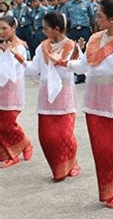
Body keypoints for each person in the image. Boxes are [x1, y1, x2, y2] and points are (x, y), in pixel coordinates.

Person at [64, 0, 113, 208]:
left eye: (99, 16)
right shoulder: (95, 38)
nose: (96, 19)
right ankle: (110, 189)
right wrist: (67, 63)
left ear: (112, 19)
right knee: (102, 151)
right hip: (93, 103)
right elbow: (85, 65)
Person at [13, 11, 80, 181]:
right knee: (47, 137)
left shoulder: (71, 46)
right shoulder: (42, 47)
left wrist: (68, 61)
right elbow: (34, 69)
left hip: (64, 95)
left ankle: (72, 163)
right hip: (46, 97)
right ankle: (58, 167)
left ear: (57, 29)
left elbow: (75, 69)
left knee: (65, 136)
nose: (43, 32)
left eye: (46, 28)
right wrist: (20, 59)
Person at [0, 15, 33, 168]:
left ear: (13, 28)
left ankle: (22, 145)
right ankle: (8, 153)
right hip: (1, 89)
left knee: (8, 123)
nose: (1, 32)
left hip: (12, 90)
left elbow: (12, 71)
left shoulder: (19, 46)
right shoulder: (4, 44)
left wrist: (7, 54)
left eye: (4, 28)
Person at [62, 0, 95, 84]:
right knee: (75, 51)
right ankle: (79, 75)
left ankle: (89, 73)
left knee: (87, 51)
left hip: (85, 29)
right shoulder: (68, 5)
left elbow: (92, 17)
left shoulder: (87, 3)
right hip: (73, 30)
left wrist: (93, 30)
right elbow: (65, 20)